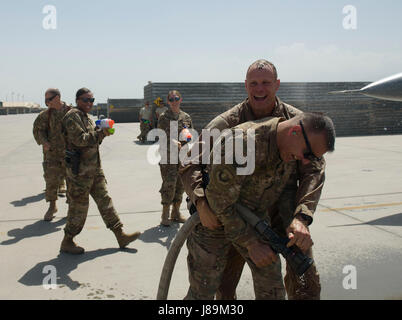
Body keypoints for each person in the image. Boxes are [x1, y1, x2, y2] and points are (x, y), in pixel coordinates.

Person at [180, 59, 325, 299]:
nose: (260, 89)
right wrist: (200, 203)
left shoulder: (296, 121)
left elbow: (314, 169)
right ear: (245, 86)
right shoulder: (227, 123)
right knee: (224, 286)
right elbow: (190, 160)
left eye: (266, 83)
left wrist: (302, 217)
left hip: (283, 210)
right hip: (235, 210)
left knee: (305, 279)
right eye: (254, 83)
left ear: (277, 84)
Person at [60, 88, 141, 254]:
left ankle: (120, 235)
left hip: (94, 170)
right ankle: (67, 241)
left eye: (91, 100)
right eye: (85, 100)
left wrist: (102, 134)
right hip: (80, 174)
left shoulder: (87, 118)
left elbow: (92, 141)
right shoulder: (72, 117)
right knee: (78, 209)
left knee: (106, 202)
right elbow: (80, 140)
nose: (89, 103)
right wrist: (100, 134)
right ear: (77, 100)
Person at [33, 88, 71, 221]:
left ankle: (71, 207)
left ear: (57, 97)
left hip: (70, 154)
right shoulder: (45, 115)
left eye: (49, 99)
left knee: (71, 182)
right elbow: (38, 130)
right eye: (45, 99)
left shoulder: (71, 112)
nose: (46, 102)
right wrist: (44, 143)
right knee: (51, 181)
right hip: (52, 155)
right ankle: (52, 206)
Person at [157, 90, 193, 226]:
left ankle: (176, 213)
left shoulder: (186, 117)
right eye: (171, 99)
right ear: (168, 102)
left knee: (181, 185)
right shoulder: (163, 117)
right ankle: (165, 214)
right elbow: (160, 136)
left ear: (180, 99)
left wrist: (184, 143)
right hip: (168, 157)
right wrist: (173, 143)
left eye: (176, 98)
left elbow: (190, 135)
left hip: (182, 156)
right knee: (169, 185)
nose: (174, 101)